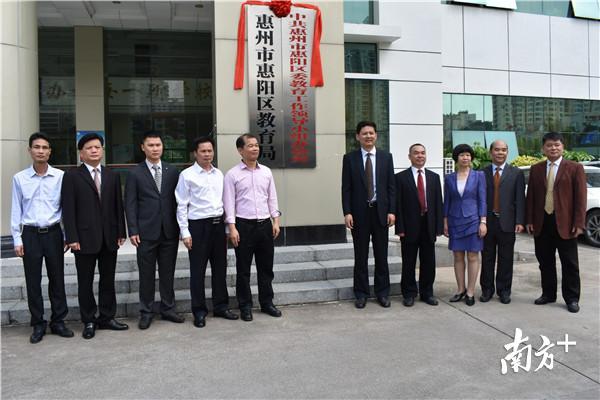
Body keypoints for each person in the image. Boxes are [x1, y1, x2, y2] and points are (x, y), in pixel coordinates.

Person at [61, 133, 128, 339]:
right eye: (89, 148)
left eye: (97, 147)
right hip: (83, 239)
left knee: (108, 280)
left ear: (102, 150)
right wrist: (71, 237)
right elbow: (68, 209)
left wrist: (121, 232)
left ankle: (107, 317)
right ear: (81, 153)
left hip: (109, 238)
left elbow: (118, 205)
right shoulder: (72, 176)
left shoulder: (111, 175)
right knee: (85, 282)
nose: (94, 150)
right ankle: (89, 320)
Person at [11, 132, 73, 343]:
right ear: (30, 150)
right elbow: (16, 210)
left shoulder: (60, 176)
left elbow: (65, 208)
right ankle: (38, 323)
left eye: (45, 148)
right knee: (33, 281)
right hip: (30, 234)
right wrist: (17, 238)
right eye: (37, 147)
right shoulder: (20, 178)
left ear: (50, 152)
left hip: (54, 233)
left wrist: (67, 234)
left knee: (57, 279)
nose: (41, 151)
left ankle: (58, 321)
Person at [175, 136, 238, 328]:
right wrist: (185, 232)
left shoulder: (219, 174)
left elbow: (224, 202)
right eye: (203, 151)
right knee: (198, 271)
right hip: (198, 227)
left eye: (210, 150)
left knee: (220, 268)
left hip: (218, 226)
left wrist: (227, 227)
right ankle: (199, 311)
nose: (207, 154)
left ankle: (221, 307)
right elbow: (181, 205)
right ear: (195, 153)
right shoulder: (186, 175)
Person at [125, 131, 184, 330]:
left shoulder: (173, 171)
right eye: (150, 145)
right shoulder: (135, 173)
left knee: (168, 273)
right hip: (145, 233)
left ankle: (168, 309)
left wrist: (182, 228)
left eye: (158, 145)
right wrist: (133, 230)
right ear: (143, 147)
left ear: (162, 146)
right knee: (146, 275)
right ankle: (146, 312)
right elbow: (130, 204)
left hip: (169, 231)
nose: (155, 148)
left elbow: (179, 202)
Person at [223, 134, 282, 321]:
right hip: (243, 226)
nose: (255, 148)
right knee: (243, 270)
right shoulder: (232, 175)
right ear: (240, 150)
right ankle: (245, 306)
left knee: (266, 268)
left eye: (256, 145)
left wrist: (276, 221)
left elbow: (272, 197)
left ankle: (267, 303)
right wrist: (232, 228)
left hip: (265, 225)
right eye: (250, 145)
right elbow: (229, 203)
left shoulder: (266, 172)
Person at [526, 132, 587, 313]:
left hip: (566, 224)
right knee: (545, 261)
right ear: (543, 148)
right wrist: (529, 220)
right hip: (542, 222)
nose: (553, 148)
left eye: (557, 145)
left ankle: (572, 298)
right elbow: (531, 197)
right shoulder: (536, 169)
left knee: (570, 263)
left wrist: (579, 223)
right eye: (549, 145)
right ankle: (548, 294)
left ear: (563, 147)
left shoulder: (575, 168)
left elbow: (580, 198)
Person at [342, 121, 396, 309]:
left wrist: (392, 211)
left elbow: (391, 187)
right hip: (359, 214)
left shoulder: (386, 157)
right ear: (358, 136)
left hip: (381, 213)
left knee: (382, 256)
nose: (368, 136)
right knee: (360, 256)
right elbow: (346, 188)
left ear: (376, 136)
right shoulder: (349, 159)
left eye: (371, 133)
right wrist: (347, 212)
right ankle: (361, 294)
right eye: (364, 133)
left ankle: (383, 293)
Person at [395, 143, 443, 307]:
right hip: (409, 227)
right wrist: (400, 227)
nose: (420, 156)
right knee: (408, 262)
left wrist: (438, 227)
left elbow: (438, 203)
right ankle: (409, 294)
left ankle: (427, 293)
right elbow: (398, 205)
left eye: (423, 153)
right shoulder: (400, 178)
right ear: (410, 156)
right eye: (416, 153)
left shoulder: (434, 177)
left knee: (428, 262)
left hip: (429, 226)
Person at [480, 140, 525, 304]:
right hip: (487, 222)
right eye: (497, 150)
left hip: (508, 222)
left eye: (504, 150)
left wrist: (519, 221)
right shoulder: (482, 173)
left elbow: (520, 198)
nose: (500, 153)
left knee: (506, 259)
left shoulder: (516, 173)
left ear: (507, 152)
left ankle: (504, 291)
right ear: (490, 152)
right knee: (487, 258)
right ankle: (487, 290)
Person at [443, 144, 487, 306]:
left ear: (471, 158)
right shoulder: (449, 178)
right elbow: (447, 201)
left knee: (473, 256)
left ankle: (470, 292)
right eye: (462, 155)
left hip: (473, 220)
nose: (465, 158)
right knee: (458, 256)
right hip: (454, 220)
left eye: (468, 155)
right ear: (457, 158)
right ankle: (460, 289)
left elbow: (482, 199)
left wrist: (483, 221)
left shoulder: (479, 176)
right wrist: (445, 221)